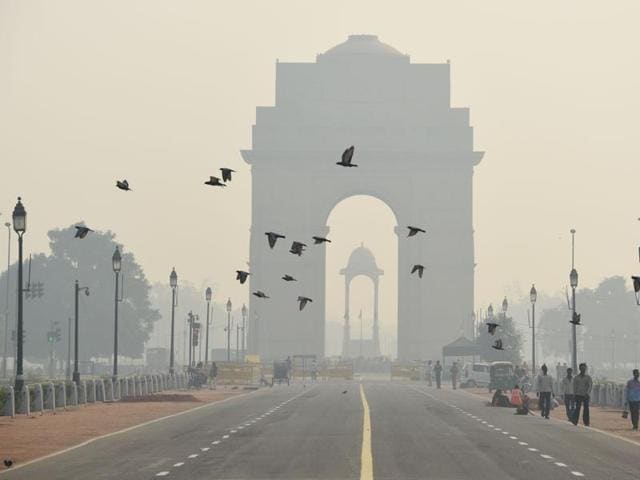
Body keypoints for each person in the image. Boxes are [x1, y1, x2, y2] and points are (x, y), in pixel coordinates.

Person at [572, 362, 592, 426]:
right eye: (581, 368)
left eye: (584, 368)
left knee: (586, 409)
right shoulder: (576, 378)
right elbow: (574, 387)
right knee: (577, 408)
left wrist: (587, 393)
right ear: (579, 369)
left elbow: (590, 386)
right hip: (578, 394)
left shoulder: (588, 377)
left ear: (585, 369)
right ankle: (575, 420)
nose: (583, 369)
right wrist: (574, 395)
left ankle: (586, 422)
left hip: (585, 395)